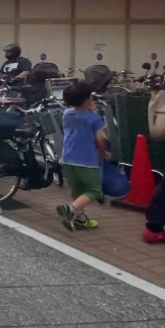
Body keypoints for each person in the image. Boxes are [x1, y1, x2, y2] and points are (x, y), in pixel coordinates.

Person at [56, 81, 110, 231]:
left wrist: (89, 110)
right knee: (94, 190)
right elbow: (100, 139)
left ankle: (81, 219)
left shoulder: (67, 113)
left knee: (78, 190)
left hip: (68, 158)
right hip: (87, 160)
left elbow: (79, 121)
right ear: (87, 99)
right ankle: (70, 209)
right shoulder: (94, 119)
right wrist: (104, 153)